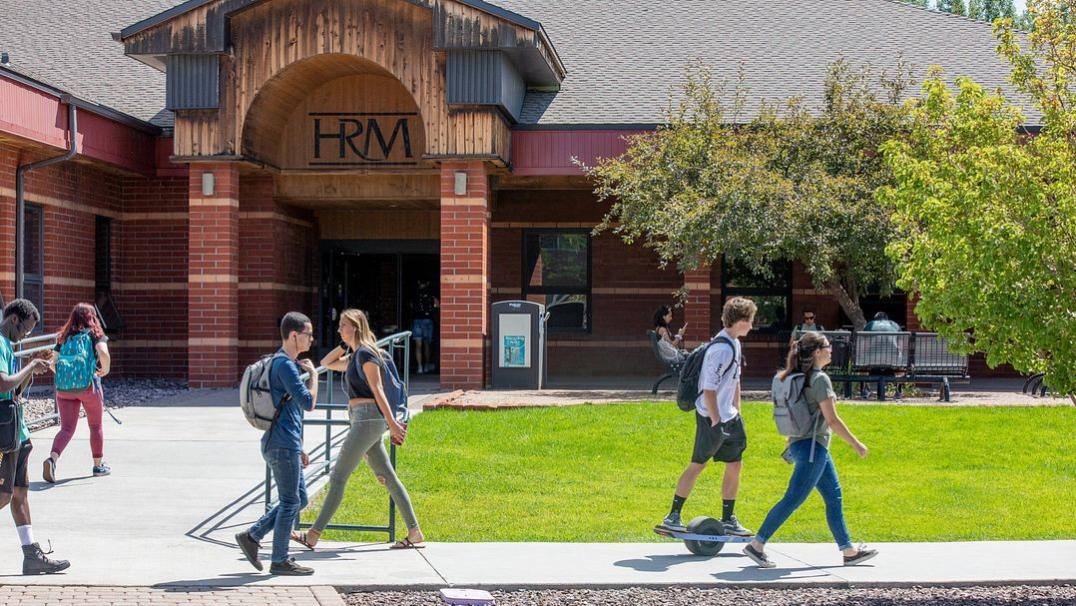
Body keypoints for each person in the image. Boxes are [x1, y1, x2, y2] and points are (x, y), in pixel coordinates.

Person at [743, 331, 877, 568]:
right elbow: (833, 420)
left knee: (834, 496)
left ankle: (848, 550)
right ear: (816, 352)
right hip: (813, 449)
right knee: (793, 497)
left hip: (803, 445)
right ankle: (757, 544)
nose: (831, 350)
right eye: (827, 346)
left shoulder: (794, 376)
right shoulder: (819, 379)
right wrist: (857, 444)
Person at [292, 308, 424, 550]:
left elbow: (378, 390)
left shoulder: (366, 355)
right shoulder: (355, 356)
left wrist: (393, 424)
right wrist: (345, 345)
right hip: (362, 420)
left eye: (343, 325)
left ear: (355, 326)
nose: (339, 328)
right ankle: (415, 532)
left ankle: (312, 535)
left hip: (367, 419)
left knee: (338, 476)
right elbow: (327, 363)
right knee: (388, 477)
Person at [658, 297, 757, 537]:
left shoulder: (735, 344)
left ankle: (728, 519)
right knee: (698, 464)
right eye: (750, 321)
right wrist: (715, 419)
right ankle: (672, 516)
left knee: (735, 463)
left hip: (729, 417)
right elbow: (709, 389)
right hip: (711, 416)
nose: (752, 326)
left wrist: (737, 412)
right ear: (740, 321)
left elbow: (735, 381)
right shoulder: (720, 349)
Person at [235, 312, 319, 576]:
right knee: (290, 501)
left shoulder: (283, 364)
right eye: (308, 334)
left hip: (285, 443)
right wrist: (314, 375)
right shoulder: (284, 365)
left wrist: (300, 447)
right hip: (282, 445)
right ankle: (279, 560)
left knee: (298, 498)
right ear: (294, 335)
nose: (312, 339)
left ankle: (253, 535)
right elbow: (308, 403)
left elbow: (288, 411)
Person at [0, 299, 70, 574]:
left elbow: (14, 392)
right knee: (4, 495)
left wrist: (30, 367)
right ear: (14, 319)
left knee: (20, 494)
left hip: (17, 431)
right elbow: (2, 382)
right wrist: (29, 368)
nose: (26, 336)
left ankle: (31, 555)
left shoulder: (7, 345)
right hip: (4, 433)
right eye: (26, 330)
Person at [44, 303, 111, 482]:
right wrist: (105, 369)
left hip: (64, 390)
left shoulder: (64, 337)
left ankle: (52, 459)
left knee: (66, 428)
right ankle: (98, 465)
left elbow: (52, 362)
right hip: (89, 387)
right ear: (92, 317)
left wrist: (65, 377)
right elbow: (103, 353)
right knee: (95, 426)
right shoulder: (95, 334)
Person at [410, 280, 438, 374]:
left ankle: (420, 367)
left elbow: (411, 307)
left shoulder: (415, 295)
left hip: (417, 320)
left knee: (419, 345)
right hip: (427, 320)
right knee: (426, 344)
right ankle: (425, 365)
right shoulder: (431, 296)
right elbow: (437, 306)